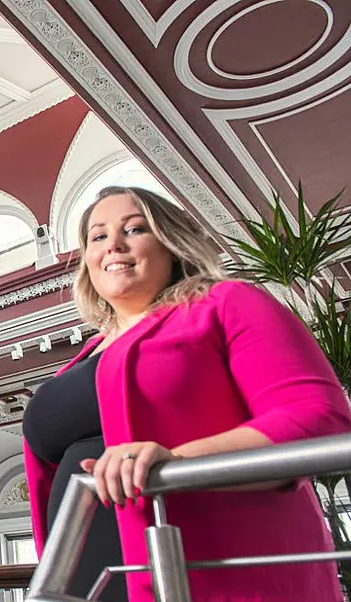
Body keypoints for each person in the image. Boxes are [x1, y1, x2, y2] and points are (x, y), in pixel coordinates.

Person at [23, 186, 351, 601]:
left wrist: (176, 461)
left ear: (171, 242)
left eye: (135, 229)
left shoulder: (227, 303)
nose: (114, 246)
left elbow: (317, 417)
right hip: (84, 580)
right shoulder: (83, 358)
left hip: (202, 574)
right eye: (98, 236)